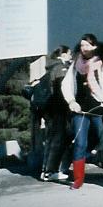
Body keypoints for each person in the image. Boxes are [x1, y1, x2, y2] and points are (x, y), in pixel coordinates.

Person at [61, 34, 103, 190]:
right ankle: (78, 179)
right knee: (79, 143)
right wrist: (71, 101)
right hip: (80, 109)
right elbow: (66, 84)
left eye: (87, 45)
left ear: (94, 46)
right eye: (82, 45)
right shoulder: (75, 63)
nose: (84, 48)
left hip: (99, 107)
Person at [40, 45, 72, 182]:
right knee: (58, 139)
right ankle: (51, 171)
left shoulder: (51, 67)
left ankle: (46, 171)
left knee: (52, 139)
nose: (71, 56)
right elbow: (61, 90)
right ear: (63, 55)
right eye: (69, 54)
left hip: (50, 109)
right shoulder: (61, 68)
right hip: (58, 108)